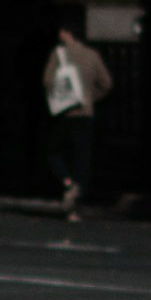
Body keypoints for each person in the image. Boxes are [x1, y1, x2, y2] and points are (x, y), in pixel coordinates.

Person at [41, 11, 115, 215]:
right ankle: (76, 203)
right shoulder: (93, 55)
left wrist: (57, 95)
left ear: (67, 33)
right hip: (86, 113)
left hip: (66, 113)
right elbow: (107, 83)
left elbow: (47, 81)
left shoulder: (59, 54)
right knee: (82, 158)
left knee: (54, 152)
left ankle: (67, 183)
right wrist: (90, 97)